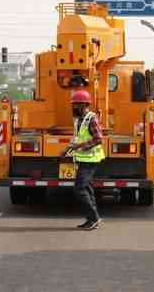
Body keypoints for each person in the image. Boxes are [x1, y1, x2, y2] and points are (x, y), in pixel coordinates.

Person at [64, 90, 104, 230]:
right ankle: (93, 219)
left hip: (91, 159)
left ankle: (93, 218)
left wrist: (80, 146)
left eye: (75, 105)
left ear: (83, 105)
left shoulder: (91, 118)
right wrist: (67, 150)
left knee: (79, 188)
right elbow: (77, 139)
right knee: (87, 188)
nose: (73, 108)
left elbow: (98, 139)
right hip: (83, 158)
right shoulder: (79, 120)